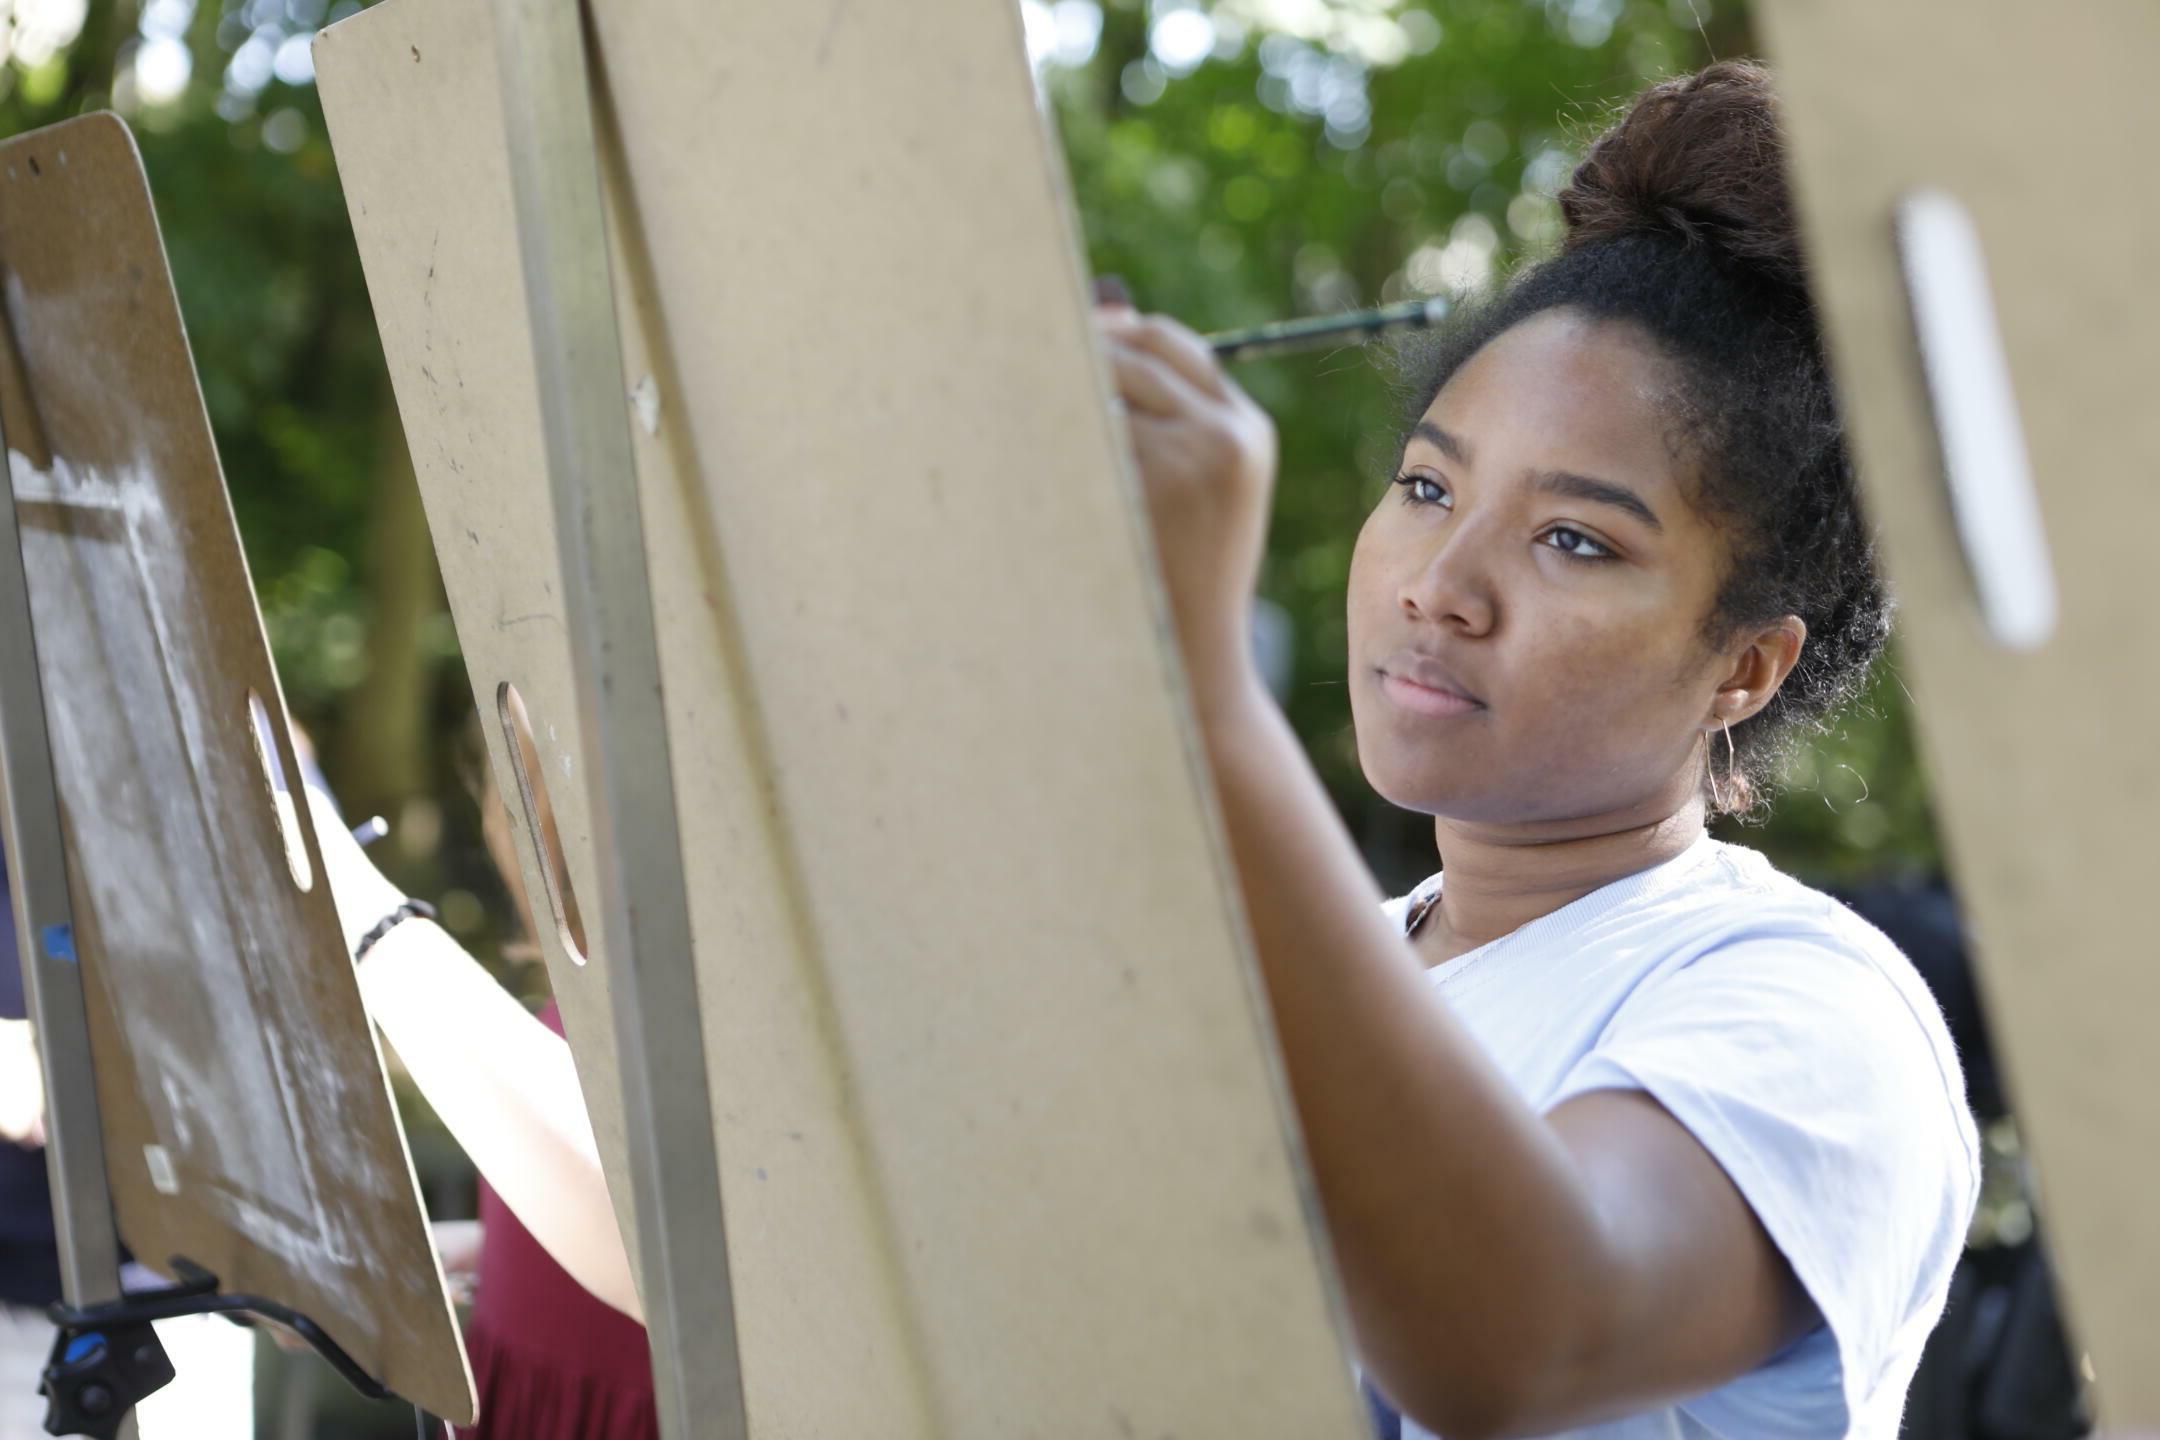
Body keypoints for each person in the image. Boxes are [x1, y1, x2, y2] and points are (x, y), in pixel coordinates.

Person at [315, 57, 1975, 1440]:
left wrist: (1193, 700)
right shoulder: (1284, 977)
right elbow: (766, 1264)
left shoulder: (1804, 1007)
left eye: (1577, 544)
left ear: (1748, 663)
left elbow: (1518, 1344)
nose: (1442, 586)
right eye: (1426, 486)